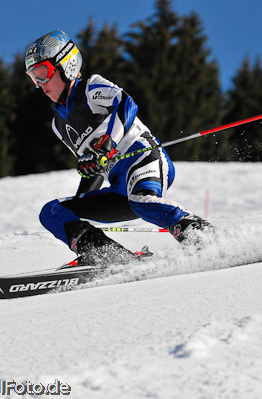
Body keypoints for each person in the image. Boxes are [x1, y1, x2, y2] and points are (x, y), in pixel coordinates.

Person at [26, 30, 211, 266]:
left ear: (66, 65)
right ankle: (106, 256)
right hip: (119, 190)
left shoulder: (90, 88)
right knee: (51, 212)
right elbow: (95, 167)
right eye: (33, 77)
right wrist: (87, 180)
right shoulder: (58, 125)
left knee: (142, 201)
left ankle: (205, 238)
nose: (39, 84)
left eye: (42, 73)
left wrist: (108, 144)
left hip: (145, 159)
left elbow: (125, 102)